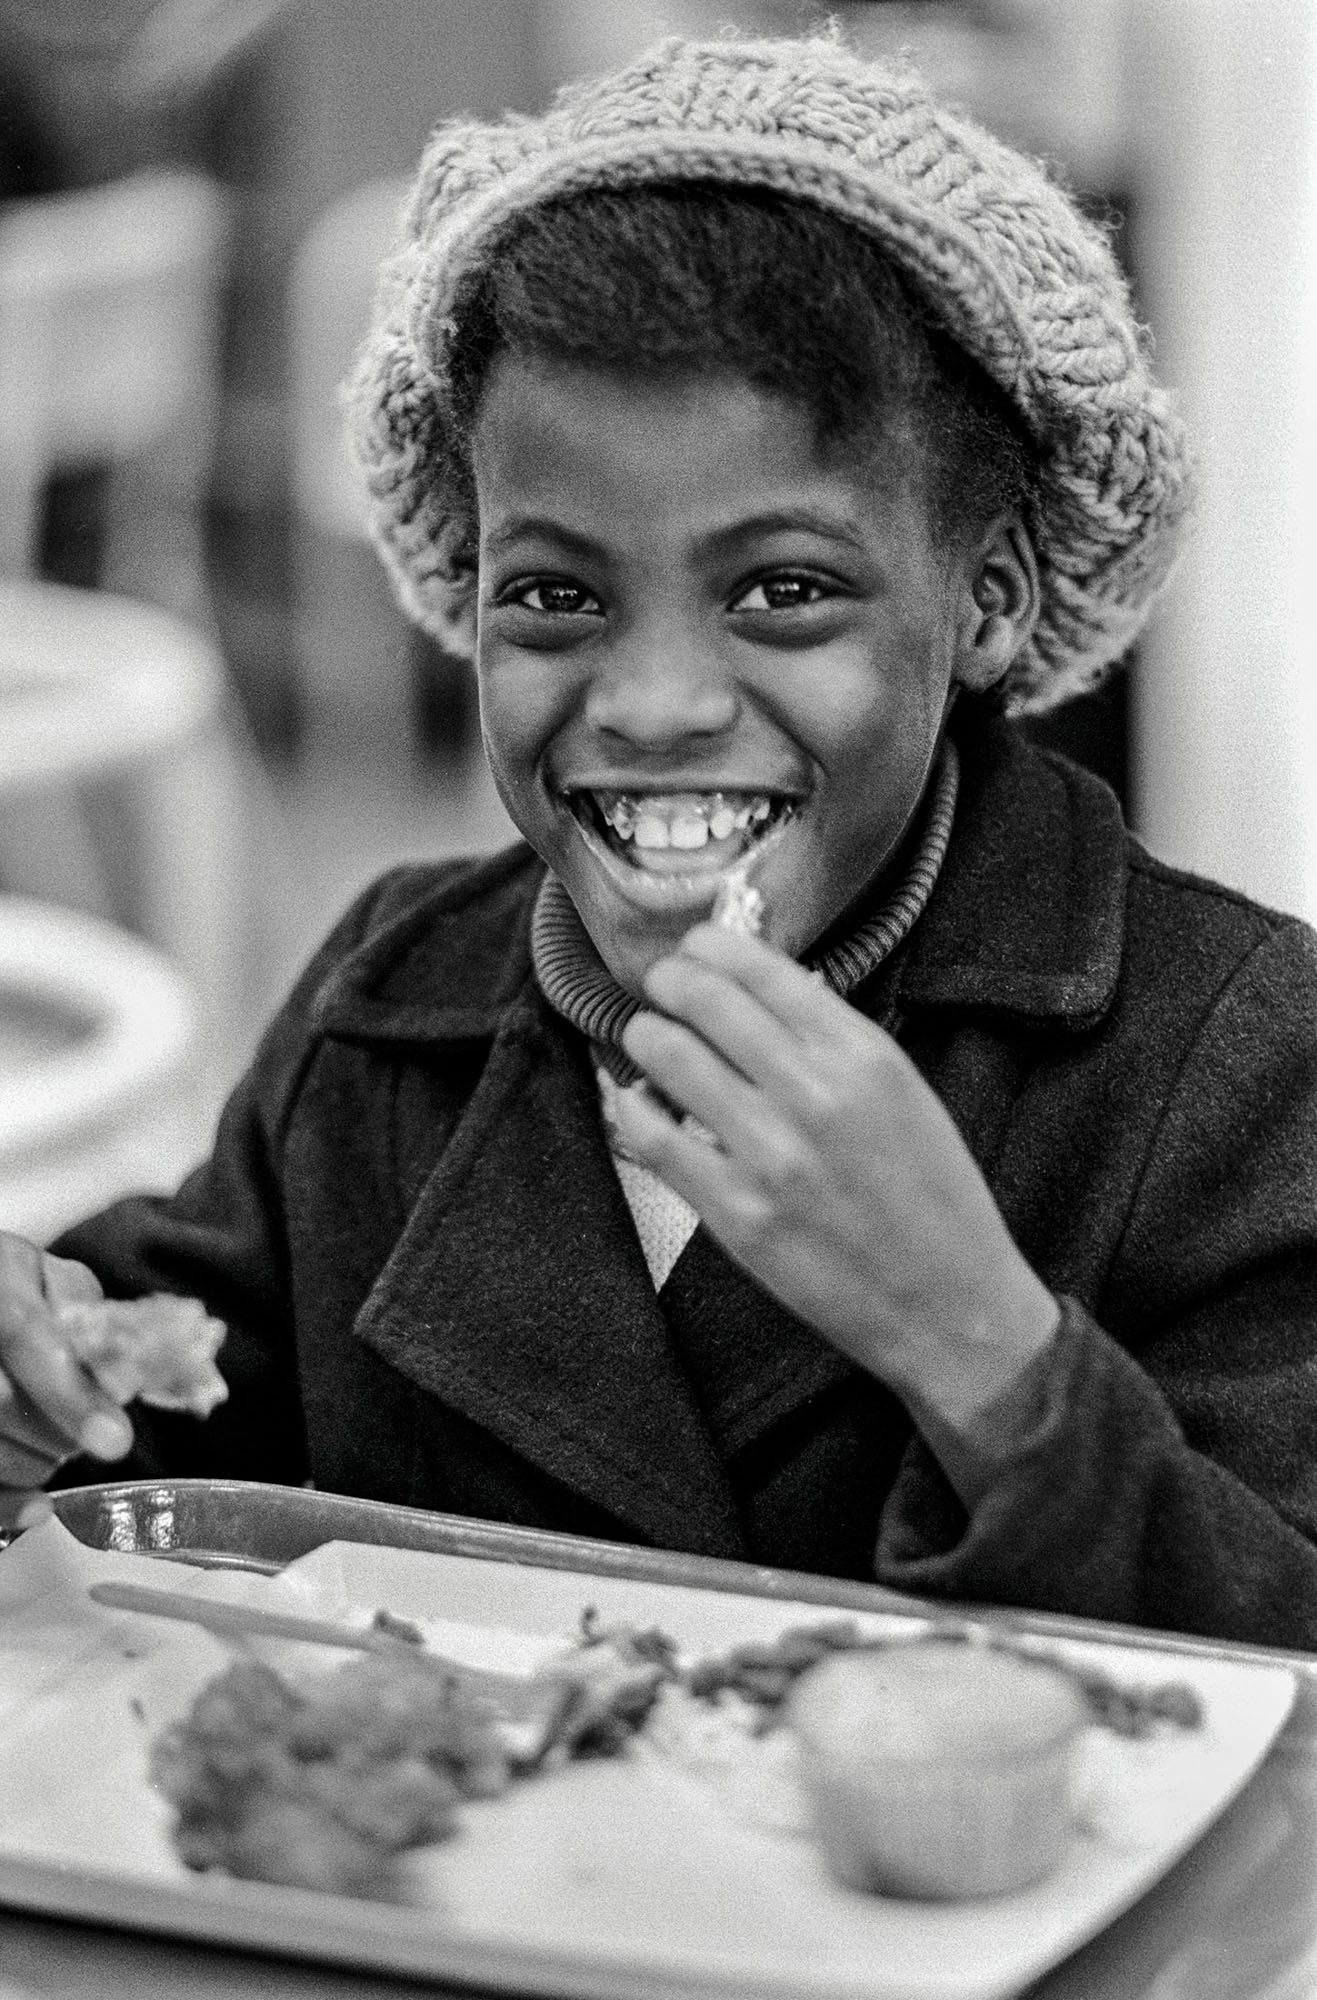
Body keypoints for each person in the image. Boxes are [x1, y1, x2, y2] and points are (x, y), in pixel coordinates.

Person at [2, 30, 1315, 1648]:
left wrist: (981, 1349)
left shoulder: (1231, 1064)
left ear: (988, 598)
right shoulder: (385, 1014)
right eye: (553, 597)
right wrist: (42, 1379)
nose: (655, 703)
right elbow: (171, 1444)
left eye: (781, 590)